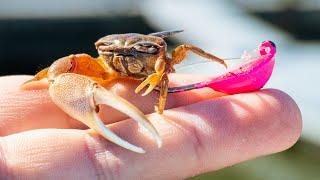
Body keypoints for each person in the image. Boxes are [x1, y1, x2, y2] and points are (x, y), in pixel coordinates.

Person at [0, 75, 301, 179]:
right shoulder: (101, 61)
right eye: (111, 51)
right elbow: (60, 72)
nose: (121, 57)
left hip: (156, 72)